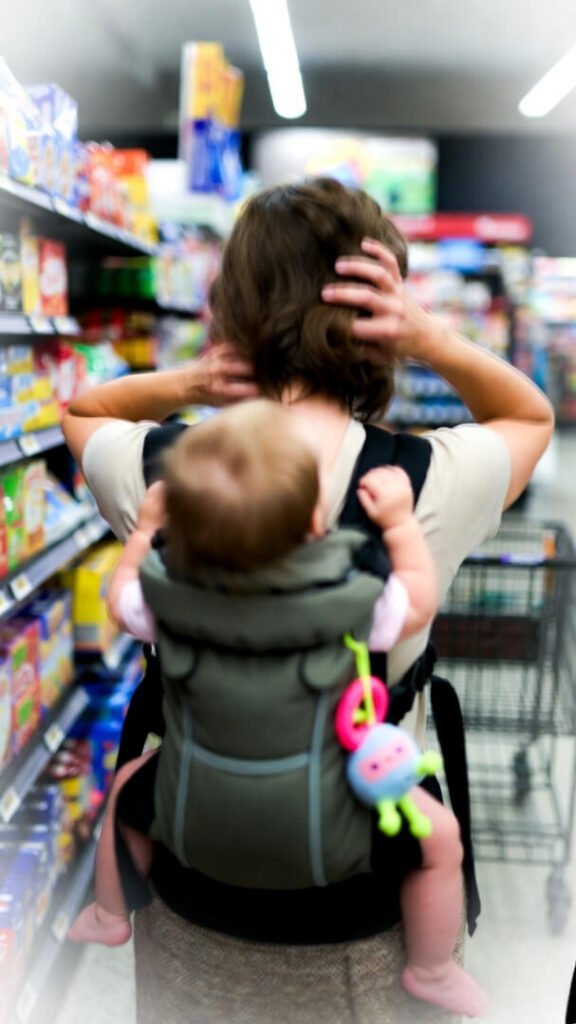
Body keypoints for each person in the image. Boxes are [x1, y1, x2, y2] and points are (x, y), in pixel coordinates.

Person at [62, 177, 553, 1024]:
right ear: (378, 310)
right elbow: (531, 416)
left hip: (191, 876)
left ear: (234, 313)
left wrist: (192, 380)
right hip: (362, 912)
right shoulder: (423, 477)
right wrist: (430, 340)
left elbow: (82, 409)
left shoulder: (161, 469)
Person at [67, 398, 485, 1016]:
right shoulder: (344, 594)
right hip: (329, 830)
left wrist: (145, 532)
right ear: (316, 523)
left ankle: (108, 912)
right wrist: (398, 523)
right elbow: (417, 603)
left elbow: (119, 598)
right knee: (441, 840)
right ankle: (433, 969)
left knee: (128, 786)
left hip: (194, 816)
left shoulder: (170, 593)